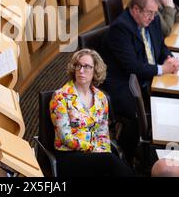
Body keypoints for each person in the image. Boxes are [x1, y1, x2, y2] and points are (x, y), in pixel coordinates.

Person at [102, 0, 179, 162]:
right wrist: (162, 69)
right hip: (124, 83)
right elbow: (132, 66)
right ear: (135, 10)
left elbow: (160, 46)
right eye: (149, 13)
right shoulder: (120, 29)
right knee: (137, 117)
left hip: (147, 77)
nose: (153, 17)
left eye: (154, 12)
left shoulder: (152, 20)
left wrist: (169, 58)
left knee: (173, 100)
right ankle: (127, 158)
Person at [50, 49, 134, 177]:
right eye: (78, 66)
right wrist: (92, 149)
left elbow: (103, 132)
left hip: (95, 153)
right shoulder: (60, 97)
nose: (81, 71)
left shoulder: (101, 97)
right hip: (69, 155)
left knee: (111, 160)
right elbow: (66, 138)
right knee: (110, 161)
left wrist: (102, 150)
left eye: (87, 67)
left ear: (95, 70)